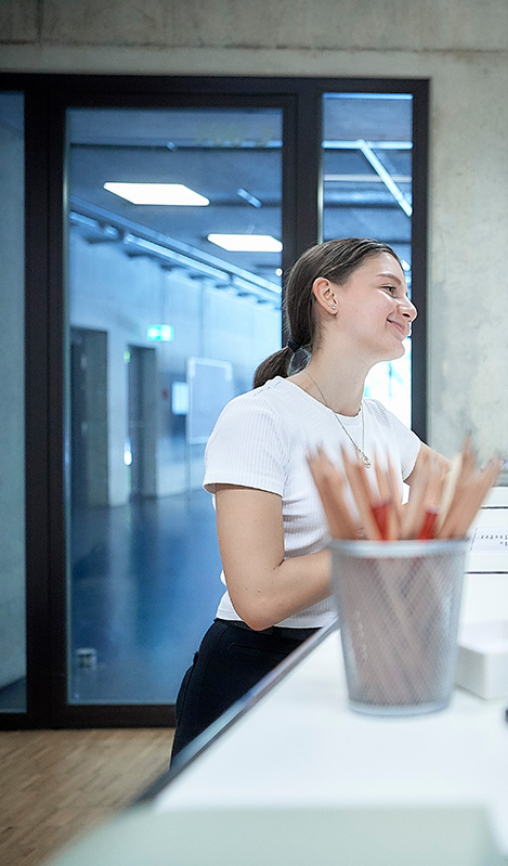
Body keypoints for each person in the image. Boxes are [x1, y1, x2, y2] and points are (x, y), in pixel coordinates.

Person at [171, 237, 445, 762]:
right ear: (329, 296)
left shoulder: (380, 421)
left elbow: (451, 492)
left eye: (406, 293)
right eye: (389, 289)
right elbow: (258, 599)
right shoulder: (258, 418)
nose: (408, 307)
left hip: (348, 651)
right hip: (258, 669)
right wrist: (384, 538)